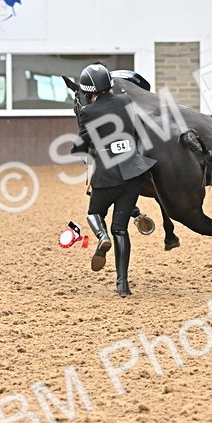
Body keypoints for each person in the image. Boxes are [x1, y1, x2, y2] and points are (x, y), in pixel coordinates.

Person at [71, 63, 156, 296]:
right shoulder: (127, 102)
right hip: (133, 175)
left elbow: (82, 144)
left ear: (89, 91)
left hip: (106, 177)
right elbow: (139, 132)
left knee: (94, 213)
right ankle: (123, 285)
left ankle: (101, 236)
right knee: (121, 229)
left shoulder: (88, 112)